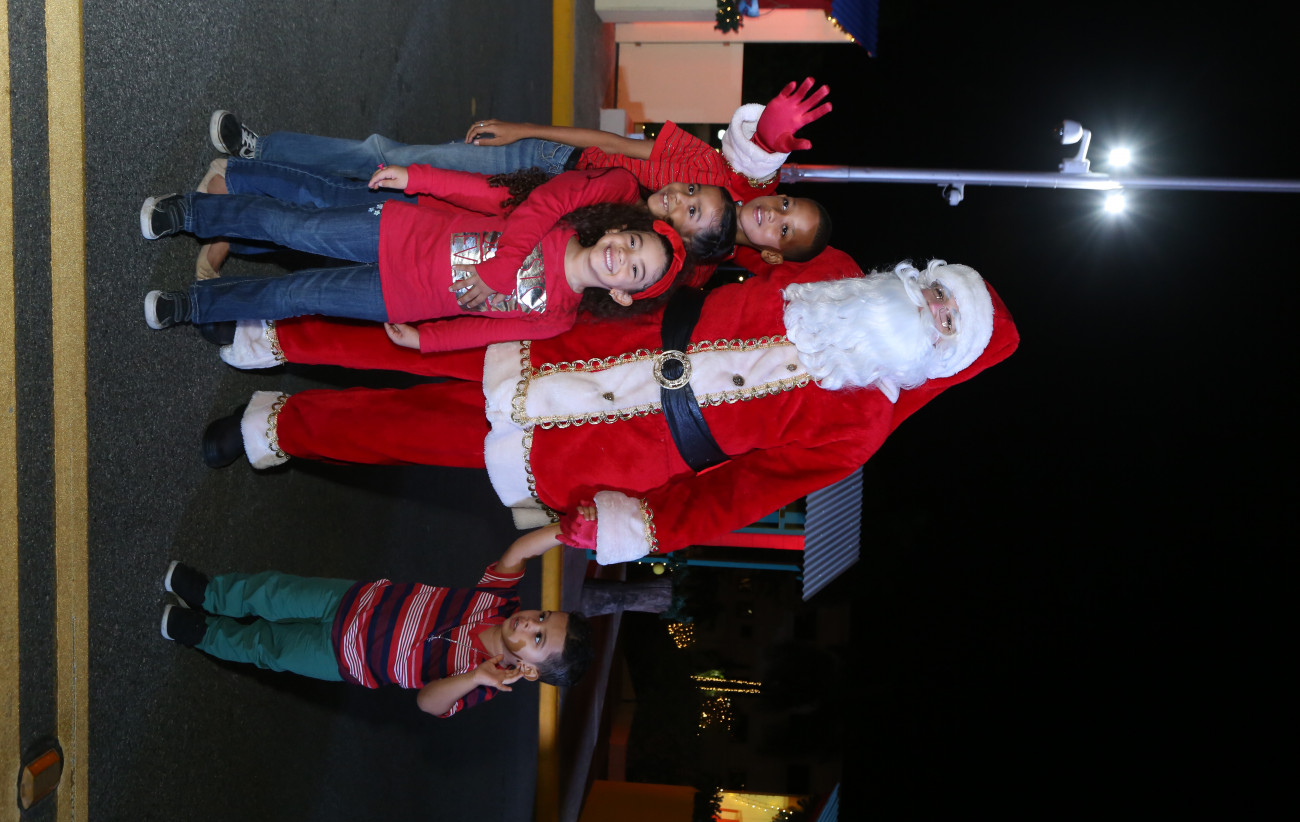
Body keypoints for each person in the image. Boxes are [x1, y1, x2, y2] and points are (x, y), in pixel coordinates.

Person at [200, 250, 1020, 563]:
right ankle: (275, 333)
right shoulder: (831, 273)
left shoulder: (860, 427)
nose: (930, 308)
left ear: (938, 356)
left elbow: (734, 496)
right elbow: (729, 234)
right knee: (412, 338)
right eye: (940, 292)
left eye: (947, 322)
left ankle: (274, 426)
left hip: (606, 451)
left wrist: (634, 525)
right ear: (921, 275)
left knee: (408, 433)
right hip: (591, 337)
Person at [207, 77, 834, 266]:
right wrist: (523, 130)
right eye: (786, 205)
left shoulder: (696, 266)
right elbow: (608, 141)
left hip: (523, 229)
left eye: (785, 229)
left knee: (379, 223)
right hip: (539, 163)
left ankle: (249, 221)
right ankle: (262, 151)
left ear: (772, 255)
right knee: (391, 156)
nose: (774, 215)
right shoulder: (708, 168)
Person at [140, 164, 688, 353]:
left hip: (397, 299)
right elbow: (488, 193)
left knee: (295, 294)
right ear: (618, 230)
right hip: (396, 232)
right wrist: (418, 177)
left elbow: (484, 331)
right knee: (293, 227)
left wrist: (428, 341)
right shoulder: (557, 222)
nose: (622, 258)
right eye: (632, 243)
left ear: (623, 294)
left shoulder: (558, 318)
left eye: (635, 271)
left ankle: (196, 304)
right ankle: (190, 212)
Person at [158, 523, 594, 718]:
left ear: (529, 671)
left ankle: (205, 633)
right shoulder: (497, 602)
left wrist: (475, 677)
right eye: (542, 616)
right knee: (273, 592)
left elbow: (428, 703)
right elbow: (520, 551)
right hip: (353, 600)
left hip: (344, 658)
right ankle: (212, 594)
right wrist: (571, 531)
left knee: (267, 648)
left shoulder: (484, 682)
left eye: (538, 637)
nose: (528, 623)